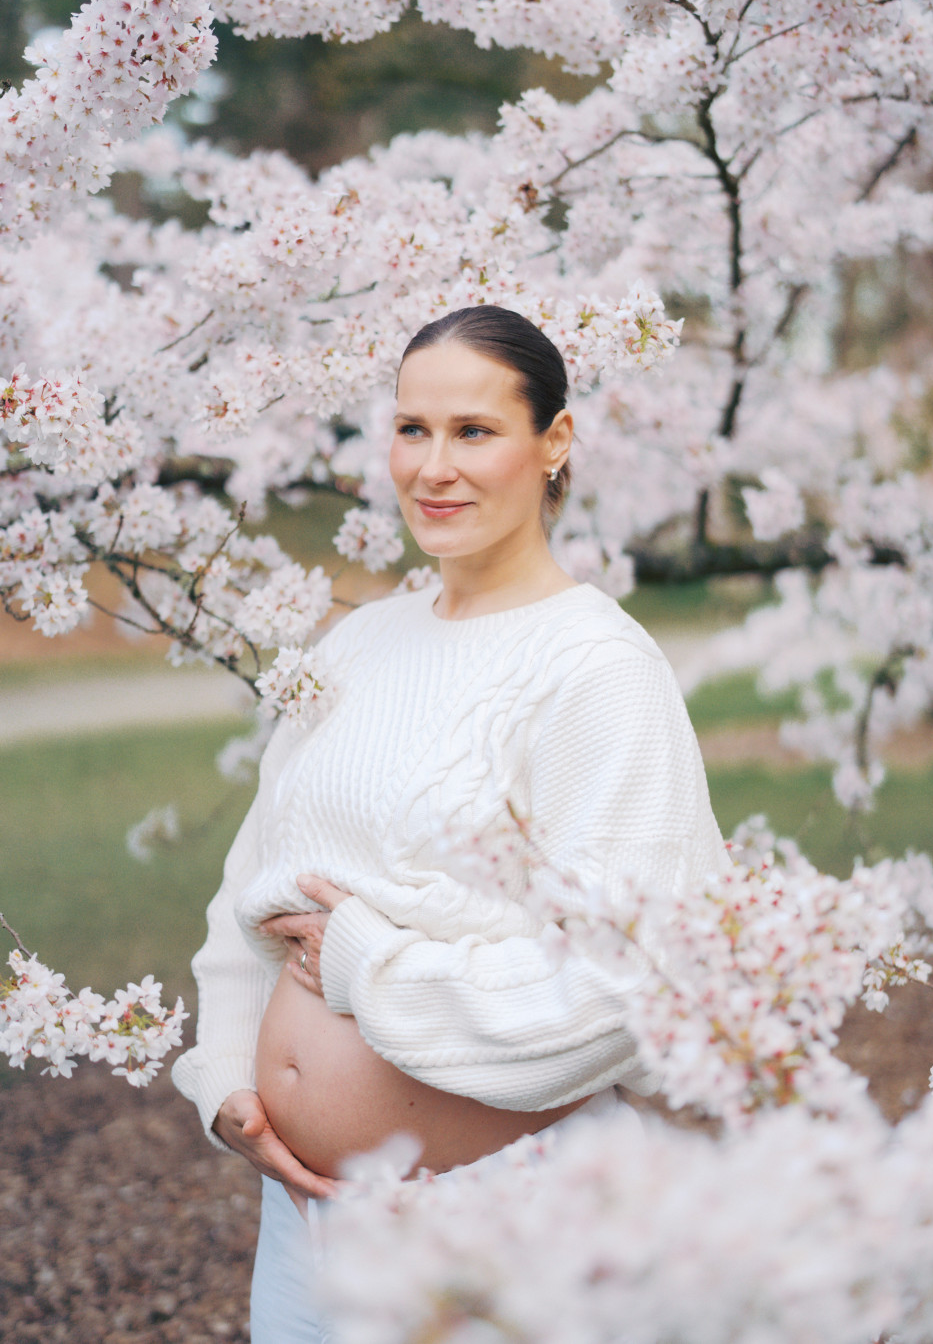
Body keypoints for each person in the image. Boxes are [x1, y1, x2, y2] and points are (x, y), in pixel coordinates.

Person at [172, 304, 725, 1343]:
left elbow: (632, 984)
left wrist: (369, 965)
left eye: (473, 431)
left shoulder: (595, 669)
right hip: (302, 1216)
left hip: (501, 1213)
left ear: (553, 442)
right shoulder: (354, 646)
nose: (433, 467)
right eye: (411, 429)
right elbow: (249, 887)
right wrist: (228, 1080)